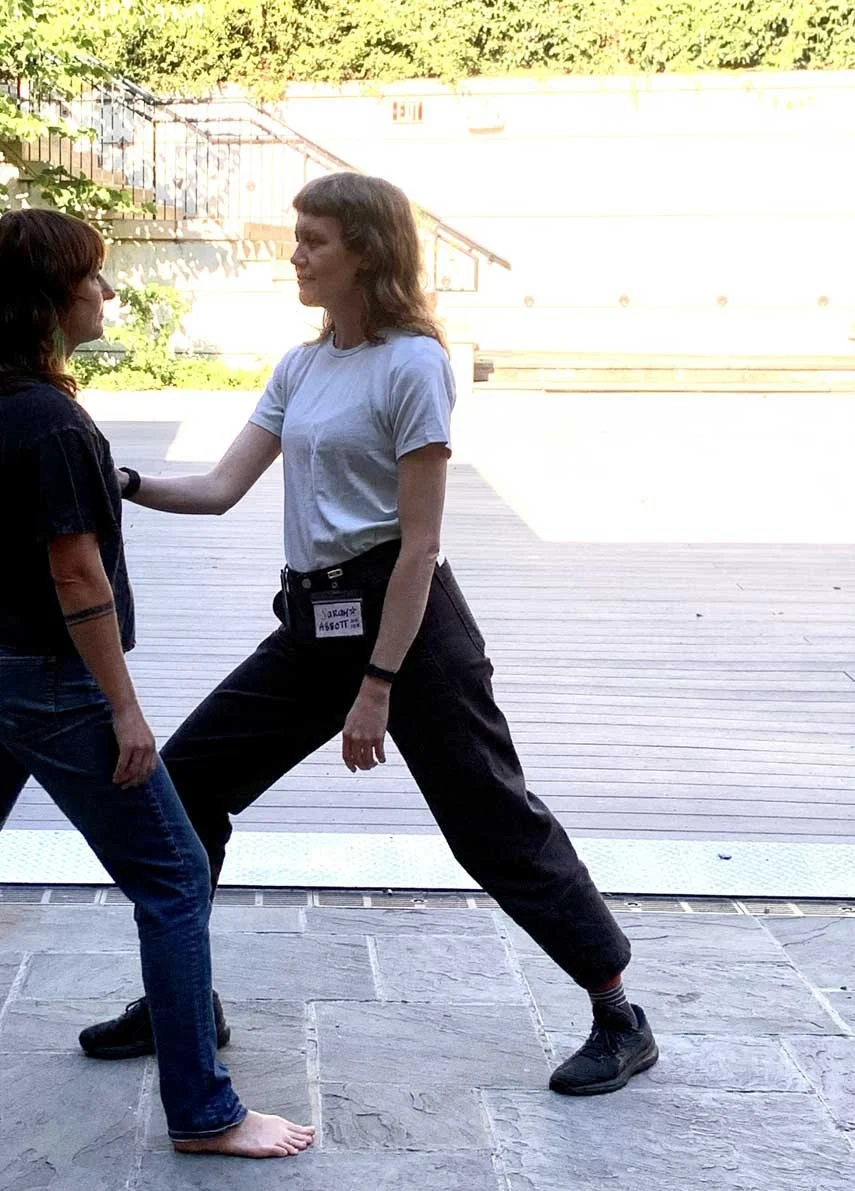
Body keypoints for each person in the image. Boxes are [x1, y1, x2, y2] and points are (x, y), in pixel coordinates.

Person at [80, 173, 658, 1098]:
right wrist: (124, 481)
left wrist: (379, 684)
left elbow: (422, 545)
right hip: (312, 625)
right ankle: (184, 998)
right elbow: (225, 486)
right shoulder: (303, 366)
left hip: (411, 630)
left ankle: (617, 1010)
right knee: (185, 785)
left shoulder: (412, 365)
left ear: (368, 252)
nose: (297, 254)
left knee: (490, 822)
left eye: (315, 240)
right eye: (298, 236)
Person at [0, 208, 315, 1158]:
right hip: (44, 684)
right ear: (56, 297)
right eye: (95, 276)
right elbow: (75, 575)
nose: (109, 291)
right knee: (173, 876)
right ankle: (204, 1112)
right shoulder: (49, 419)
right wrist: (126, 711)